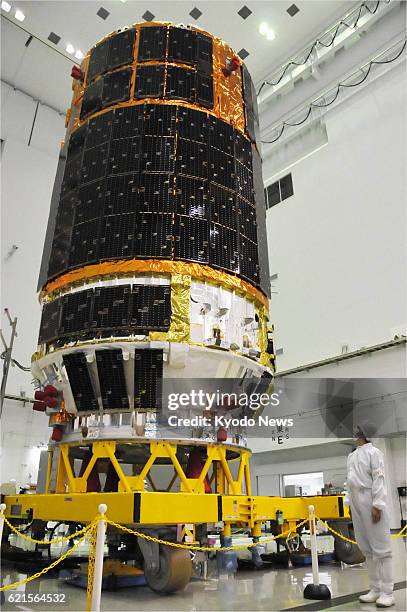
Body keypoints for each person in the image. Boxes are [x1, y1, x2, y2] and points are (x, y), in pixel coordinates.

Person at [344, 421, 394, 608]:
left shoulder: (375, 453)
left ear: (364, 433)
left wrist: (378, 504)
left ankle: (388, 592)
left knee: (382, 549)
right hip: (356, 502)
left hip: (370, 499)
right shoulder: (352, 456)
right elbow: (349, 480)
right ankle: (375, 589)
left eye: (356, 430)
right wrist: (349, 503)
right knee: (367, 549)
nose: (353, 432)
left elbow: (378, 478)